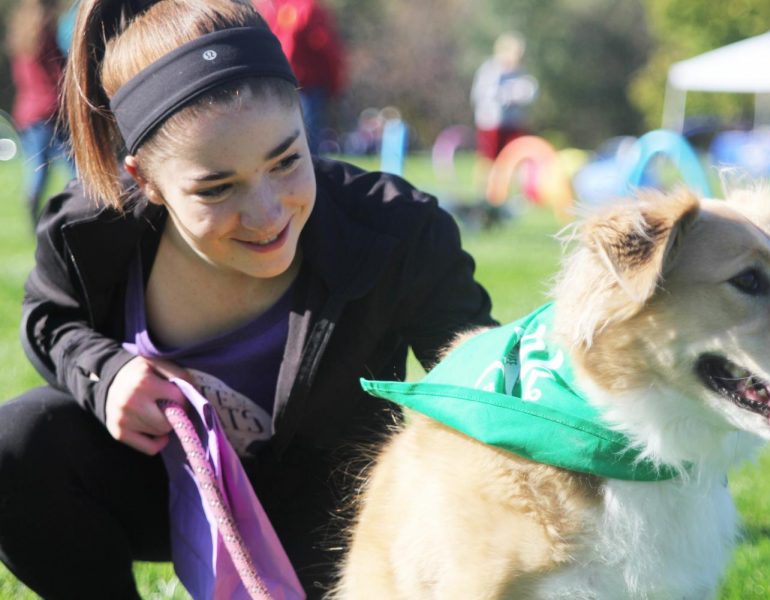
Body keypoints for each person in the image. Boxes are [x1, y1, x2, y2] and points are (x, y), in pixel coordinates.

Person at [0, 1, 494, 598]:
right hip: (160, 488)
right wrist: (107, 374)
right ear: (146, 179)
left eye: (286, 160)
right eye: (216, 187)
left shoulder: (397, 232)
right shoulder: (90, 231)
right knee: (17, 443)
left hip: (334, 522)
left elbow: (481, 382)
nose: (266, 214)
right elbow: (49, 318)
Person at [5, 0, 75, 227]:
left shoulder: (22, 33)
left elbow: (20, 77)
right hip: (50, 109)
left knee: (37, 168)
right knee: (75, 167)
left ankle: (33, 207)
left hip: (28, 111)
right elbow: (57, 72)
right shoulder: (46, 31)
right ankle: (85, 204)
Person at [255, 0, 346, 155]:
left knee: (282, 144)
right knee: (306, 144)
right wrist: (334, 84)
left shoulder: (266, 8)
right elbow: (328, 50)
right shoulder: (307, 7)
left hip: (278, 86)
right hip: (304, 88)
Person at [470, 31, 538, 162]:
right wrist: (506, 97)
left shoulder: (520, 72)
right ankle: (486, 182)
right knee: (489, 159)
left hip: (513, 122)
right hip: (491, 123)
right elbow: (482, 95)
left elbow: (530, 91)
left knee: (513, 157)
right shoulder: (490, 70)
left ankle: (505, 182)